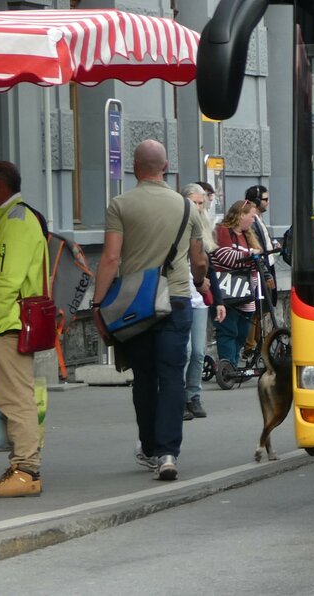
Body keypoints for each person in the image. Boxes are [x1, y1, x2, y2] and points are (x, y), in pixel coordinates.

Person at [92, 140, 206, 482]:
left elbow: (111, 259)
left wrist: (97, 306)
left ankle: (151, 447)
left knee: (144, 378)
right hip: (176, 299)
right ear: (165, 166)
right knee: (173, 376)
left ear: (135, 167)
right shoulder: (188, 208)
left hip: (136, 306)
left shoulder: (120, 205)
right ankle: (169, 453)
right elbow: (199, 259)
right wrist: (198, 281)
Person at [0, 161, 49, 498]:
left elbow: (10, 278)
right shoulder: (8, 218)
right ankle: (22, 466)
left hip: (8, 324)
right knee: (12, 396)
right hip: (6, 323)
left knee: (16, 399)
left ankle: (26, 470)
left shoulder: (16, 221)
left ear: (0, 188)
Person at [180, 183, 225, 420]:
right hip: (178, 295)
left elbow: (210, 269)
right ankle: (178, 398)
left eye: (201, 203)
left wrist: (218, 300)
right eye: (194, 203)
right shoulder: (177, 225)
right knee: (184, 351)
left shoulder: (203, 229)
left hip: (199, 299)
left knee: (198, 352)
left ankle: (193, 396)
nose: (199, 207)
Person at [212, 199, 263, 370]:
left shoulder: (248, 235)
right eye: (252, 216)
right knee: (228, 329)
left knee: (243, 330)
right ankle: (228, 366)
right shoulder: (223, 231)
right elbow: (225, 256)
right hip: (228, 290)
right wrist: (250, 255)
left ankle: (231, 363)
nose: (254, 220)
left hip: (247, 291)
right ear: (241, 215)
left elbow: (256, 263)